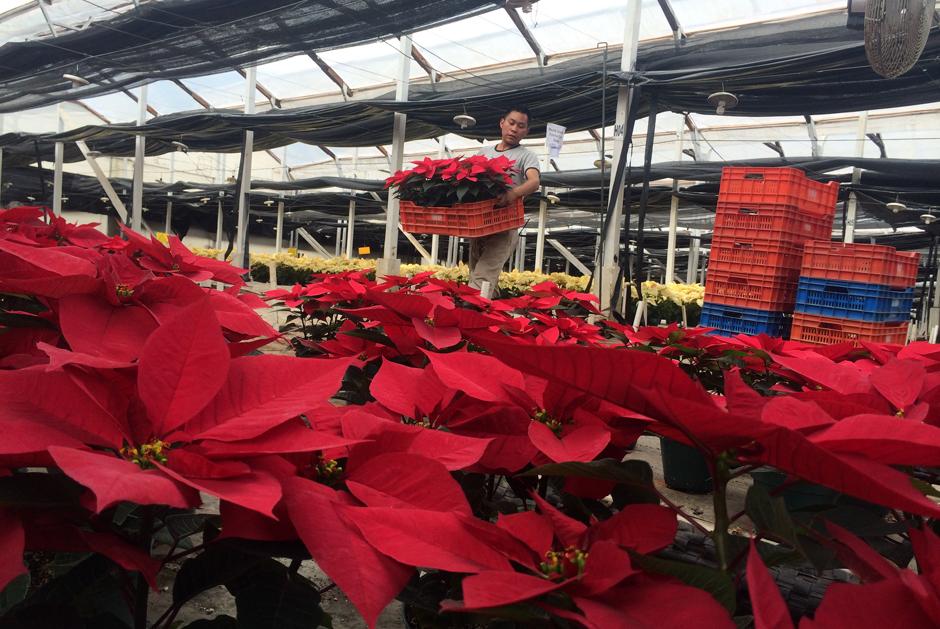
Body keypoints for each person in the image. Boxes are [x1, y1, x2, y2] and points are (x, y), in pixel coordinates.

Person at [468, 105, 540, 294]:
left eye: (521, 126)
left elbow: (534, 182)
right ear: (502, 123)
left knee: (483, 274)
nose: (514, 129)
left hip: (505, 224)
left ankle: (471, 308)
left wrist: (512, 195)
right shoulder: (484, 152)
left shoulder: (526, 155)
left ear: (526, 131)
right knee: (476, 271)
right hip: (480, 223)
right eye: (511, 123)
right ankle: (489, 304)